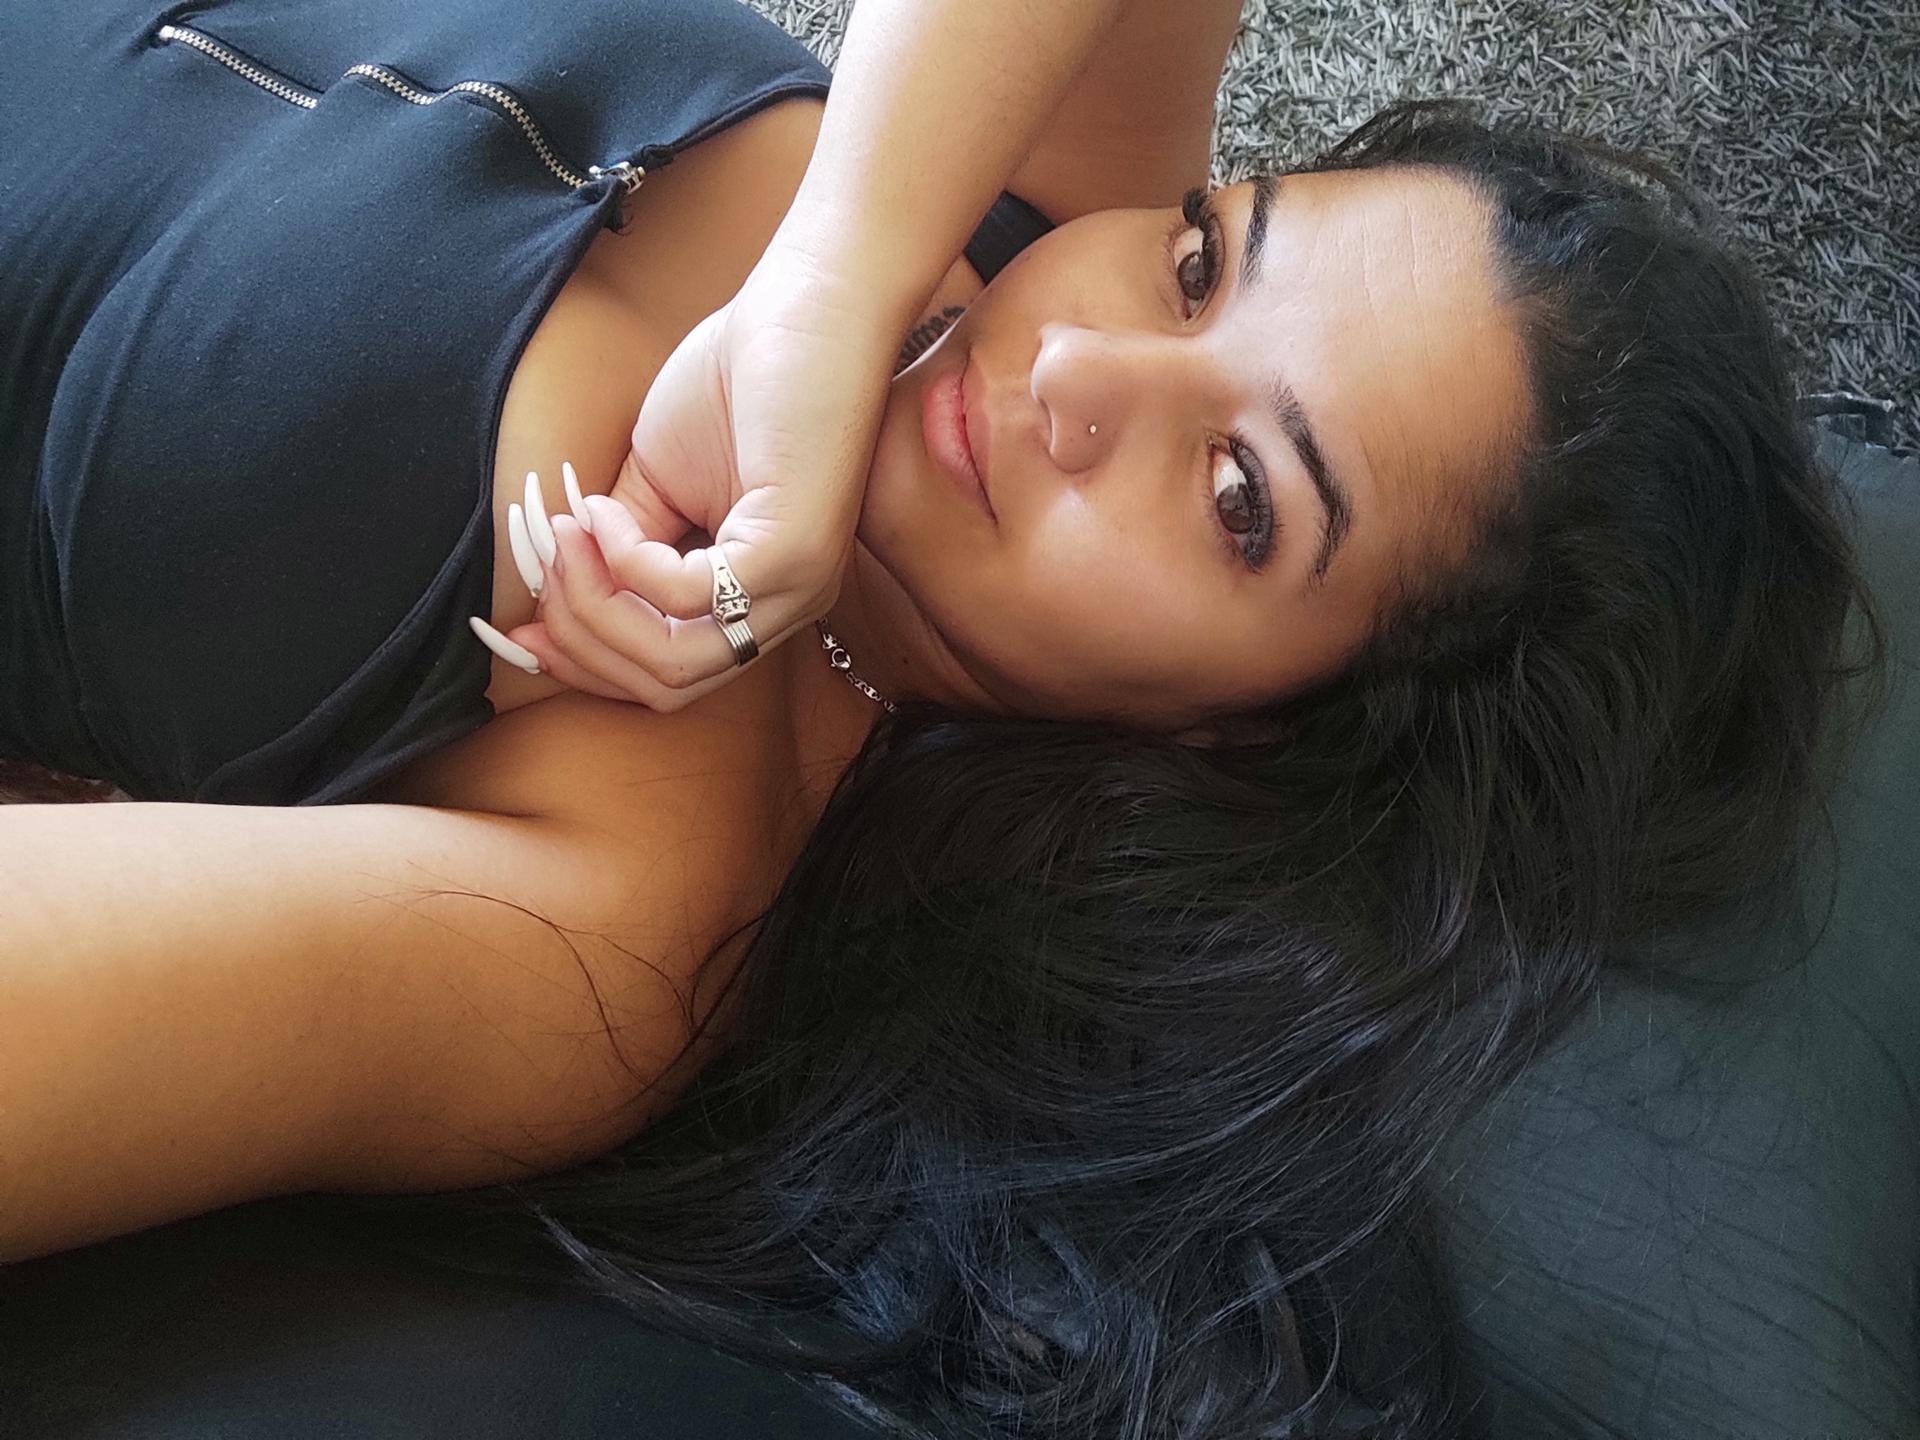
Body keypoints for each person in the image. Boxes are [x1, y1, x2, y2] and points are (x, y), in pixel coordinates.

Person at [0, 0, 1886, 1435]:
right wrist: (832, 279)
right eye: (1205, 257)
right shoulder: (1027, 197)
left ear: (1247, 738)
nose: (1078, 365)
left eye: (1239, 499)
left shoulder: (617, 935)